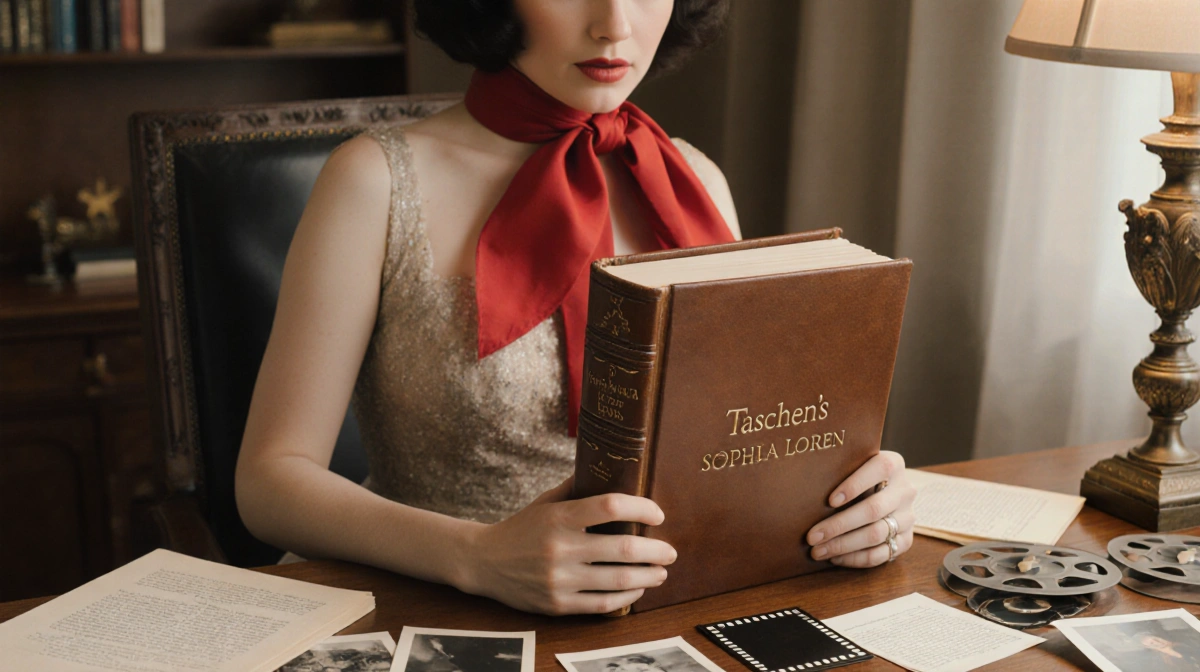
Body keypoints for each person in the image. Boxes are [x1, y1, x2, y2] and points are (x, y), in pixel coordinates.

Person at [234, 0, 917, 616]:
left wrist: (848, 499)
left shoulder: (693, 180)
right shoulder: (376, 180)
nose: (613, 24)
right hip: (440, 604)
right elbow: (269, 482)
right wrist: (476, 556)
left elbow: (743, 442)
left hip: (668, 611)